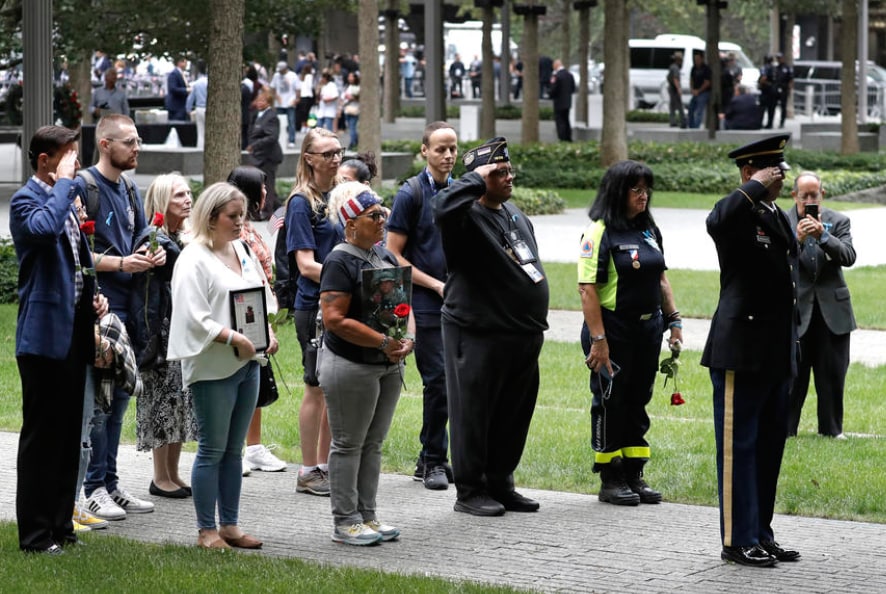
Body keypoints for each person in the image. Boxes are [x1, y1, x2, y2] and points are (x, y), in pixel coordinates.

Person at [433, 137, 548, 517]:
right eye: (498, 172)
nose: (508, 176)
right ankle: (470, 489)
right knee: (474, 413)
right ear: (480, 178)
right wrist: (474, 180)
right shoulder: (463, 217)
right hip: (478, 332)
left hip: (521, 334)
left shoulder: (514, 213)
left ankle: (501, 481)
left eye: (509, 169)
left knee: (513, 415)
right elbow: (441, 205)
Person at [701, 134, 802, 567]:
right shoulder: (737, 211)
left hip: (774, 351)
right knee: (738, 448)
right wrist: (752, 186)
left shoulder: (774, 214)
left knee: (767, 449)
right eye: (772, 169)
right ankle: (736, 538)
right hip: (740, 348)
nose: (781, 175)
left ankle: (761, 531)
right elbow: (717, 220)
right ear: (750, 171)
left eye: (781, 168)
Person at [11, 126, 108, 554]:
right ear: (44, 161)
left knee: (70, 436)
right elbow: (45, 231)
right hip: (42, 340)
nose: (75, 164)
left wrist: (92, 297)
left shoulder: (64, 200)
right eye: (68, 156)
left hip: (74, 334)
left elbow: (75, 260)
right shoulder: (26, 201)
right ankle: (34, 535)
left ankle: (60, 527)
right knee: (42, 440)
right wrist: (66, 184)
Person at [168, 182, 279, 550]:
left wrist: (266, 334)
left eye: (242, 216)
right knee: (213, 449)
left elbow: (259, 297)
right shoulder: (193, 258)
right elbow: (192, 316)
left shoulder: (242, 248)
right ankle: (206, 530)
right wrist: (234, 338)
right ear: (211, 217)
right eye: (233, 217)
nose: (240, 223)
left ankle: (230, 525)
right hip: (214, 368)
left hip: (249, 363)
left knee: (234, 450)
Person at [577, 160, 682, 506]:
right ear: (618, 192)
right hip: (612, 330)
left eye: (646, 189)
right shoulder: (599, 231)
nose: (643, 195)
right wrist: (599, 341)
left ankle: (635, 472)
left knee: (638, 400)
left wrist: (674, 321)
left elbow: (662, 280)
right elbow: (587, 289)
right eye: (636, 189)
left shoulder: (649, 230)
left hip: (648, 328)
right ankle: (610, 476)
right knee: (610, 402)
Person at [319, 182, 415, 545]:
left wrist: (408, 340)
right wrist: (383, 341)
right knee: (348, 444)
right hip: (351, 365)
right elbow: (334, 318)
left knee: (373, 444)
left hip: (387, 364)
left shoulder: (384, 256)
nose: (382, 221)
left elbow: (403, 306)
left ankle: (368, 515)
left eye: (384, 214)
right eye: (374, 216)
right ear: (350, 224)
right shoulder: (340, 260)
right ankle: (345, 521)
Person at [77, 114, 160, 521]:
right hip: (100, 311)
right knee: (100, 405)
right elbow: (74, 254)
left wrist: (152, 252)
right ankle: (92, 487)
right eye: (129, 142)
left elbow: (141, 236)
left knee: (121, 399)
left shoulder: (129, 188)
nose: (137, 148)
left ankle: (110, 483)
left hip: (130, 310)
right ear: (106, 144)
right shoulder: (84, 187)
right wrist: (120, 262)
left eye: (139, 140)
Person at [387, 121, 458, 491]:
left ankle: (433, 459)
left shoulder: (461, 192)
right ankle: (433, 460)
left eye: (453, 149)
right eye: (440, 149)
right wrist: (434, 284)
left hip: (459, 303)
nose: (447, 156)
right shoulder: (411, 193)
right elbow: (392, 254)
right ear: (424, 151)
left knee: (457, 384)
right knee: (438, 382)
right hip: (425, 304)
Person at [130, 173, 197, 499]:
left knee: (180, 402)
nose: (187, 199)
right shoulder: (154, 240)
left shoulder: (178, 236)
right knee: (162, 402)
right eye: (179, 196)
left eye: (188, 193)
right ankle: (160, 476)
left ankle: (173, 472)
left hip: (179, 331)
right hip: (161, 334)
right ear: (161, 202)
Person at [286, 128, 344, 496]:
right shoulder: (300, 203)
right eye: (327, 154)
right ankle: (308, 470)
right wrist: (348, 275)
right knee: (315, 386)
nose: (335, 159)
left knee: (332, 388)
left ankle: (325, 466)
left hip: (340, 300)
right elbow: (306, 265)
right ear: (309, 159)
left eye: (338, 151)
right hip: (313, 304)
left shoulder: (340, 195)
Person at [228, 165, 288, 473]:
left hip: (262, 310)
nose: (265, 193)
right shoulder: (234, 232)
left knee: (257, 378)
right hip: (243, 313)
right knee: (240, 381)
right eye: (261, 188)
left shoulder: (252, 227)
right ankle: (235, 448)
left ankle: (254, 446)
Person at [786, 172, 856, 438]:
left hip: (832, 312)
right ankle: (786, 429)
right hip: (796, 310)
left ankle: (832, 430)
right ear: (794, 196)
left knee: (833, 376)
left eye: (814, 194)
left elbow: (849, 256)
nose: (809, 200)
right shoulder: (783, 221)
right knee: (793, 377)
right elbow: (777, 262)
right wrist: (798, 240)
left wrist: (824, 237)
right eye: (804, 195)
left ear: (822, 195)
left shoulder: (838, 221)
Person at [246, 86, 284, 221]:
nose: (259, 103)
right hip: (258, 155)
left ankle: (267, 212)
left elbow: (272, 137)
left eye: (262, 101)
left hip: (268, 156)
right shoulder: (257, 115)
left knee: (268, 185)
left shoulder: (271, 117)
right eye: (258, 100)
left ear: (269, 102)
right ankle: (279, 208)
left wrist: (255, 145)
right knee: (263, 184)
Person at [270, 61, 298, 148]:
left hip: (290, 102)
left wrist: (296, 100)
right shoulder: (276, 76)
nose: (279, 72)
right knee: (279, 122)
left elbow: (297, 89)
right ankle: (279, 139)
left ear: (285, 69)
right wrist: (276, 96)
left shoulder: (293, 75)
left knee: (291, 122)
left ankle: (291, 140)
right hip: (280, 103)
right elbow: (273, 87)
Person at [549, 59, 576, 142]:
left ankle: (562, 137)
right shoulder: (569, 75)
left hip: (559, 102)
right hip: (567, 102)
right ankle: (568, 137)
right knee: (566, 119)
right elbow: (573, 88)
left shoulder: (557, 76)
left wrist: (550, 95)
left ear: (556, 65)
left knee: (560, 121)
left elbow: (554, 89)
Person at [186, 60, 208, 148]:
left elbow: (191, 98)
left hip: (199, 109)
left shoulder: (197, 83)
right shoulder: (211, 82)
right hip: (210, 109)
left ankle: (199, 152)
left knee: (200, 133)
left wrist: (188, 109)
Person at [688, 52, 711, 129]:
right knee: (690, 109)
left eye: (698, 59)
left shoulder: (706, 69)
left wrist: (699, 91)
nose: (696, 61)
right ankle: (691, 126)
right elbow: (691, 79)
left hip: (703, 92)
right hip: (695, 91)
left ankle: (696, 127)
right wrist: (692, 89)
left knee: (699, 111)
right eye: (695, 59)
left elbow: (707, 82)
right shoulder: (694, 68)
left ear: (702, 59)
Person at [240, 65, 260, 150]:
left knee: (245, 132)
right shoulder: (254, 84)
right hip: (249, 109)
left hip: (246, 110)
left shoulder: (246, 84)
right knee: (247, 131)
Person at [165, 56, 189, 122]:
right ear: (179, 63)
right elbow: (173, 88)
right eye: (185, 62)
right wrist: (187, 90)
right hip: (176, 107)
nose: (186, 64)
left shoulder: (181, 73)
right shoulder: (174, 74)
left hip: (181, 106)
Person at [774, 53, 794, 129]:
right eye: (778, 58)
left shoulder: (787, 68)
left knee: (783, 106)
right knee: (774, 105)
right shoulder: (776, 68)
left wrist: (789, 89)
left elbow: (791, 79)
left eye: (780, 58)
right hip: (776, 88)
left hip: (784, 89)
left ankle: (782, 122)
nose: (779, 60)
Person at [341, 71, 360, 150]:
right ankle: (355, 140)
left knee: (352, 127)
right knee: (350, 127)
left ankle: (353, 143)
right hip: (347, 109)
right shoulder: (347, 86)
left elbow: (357, 98)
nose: (349, 78)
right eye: (349, 77)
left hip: (354, 109)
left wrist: (351, 98)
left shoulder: (358, 87)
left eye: (351, 76)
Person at [295, 63, 315, 134]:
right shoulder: (309, 76)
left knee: (302, 112)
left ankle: (303, 126)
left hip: (302, 95)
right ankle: (307, 126)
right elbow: (310, 86)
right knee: (307, 112)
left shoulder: (301, 76)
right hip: (308, 95)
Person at [667, 52, 686, 128]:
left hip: (671, 88)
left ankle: (673, 121)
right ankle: (683, 122)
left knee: (672, 106)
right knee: (679, 106)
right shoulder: (675, 68)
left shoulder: (672, 66)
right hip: (674, 89)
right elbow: (675, 79)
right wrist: (679, 89)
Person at [758, 55, 778, 129]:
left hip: (766, 91)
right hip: (774, 91)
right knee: (771, 109)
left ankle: (759, 123)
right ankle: (770, 123)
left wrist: (761, 84)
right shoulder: (775, 68)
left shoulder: (764, 67)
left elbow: (763, 77)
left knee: (762, 108)